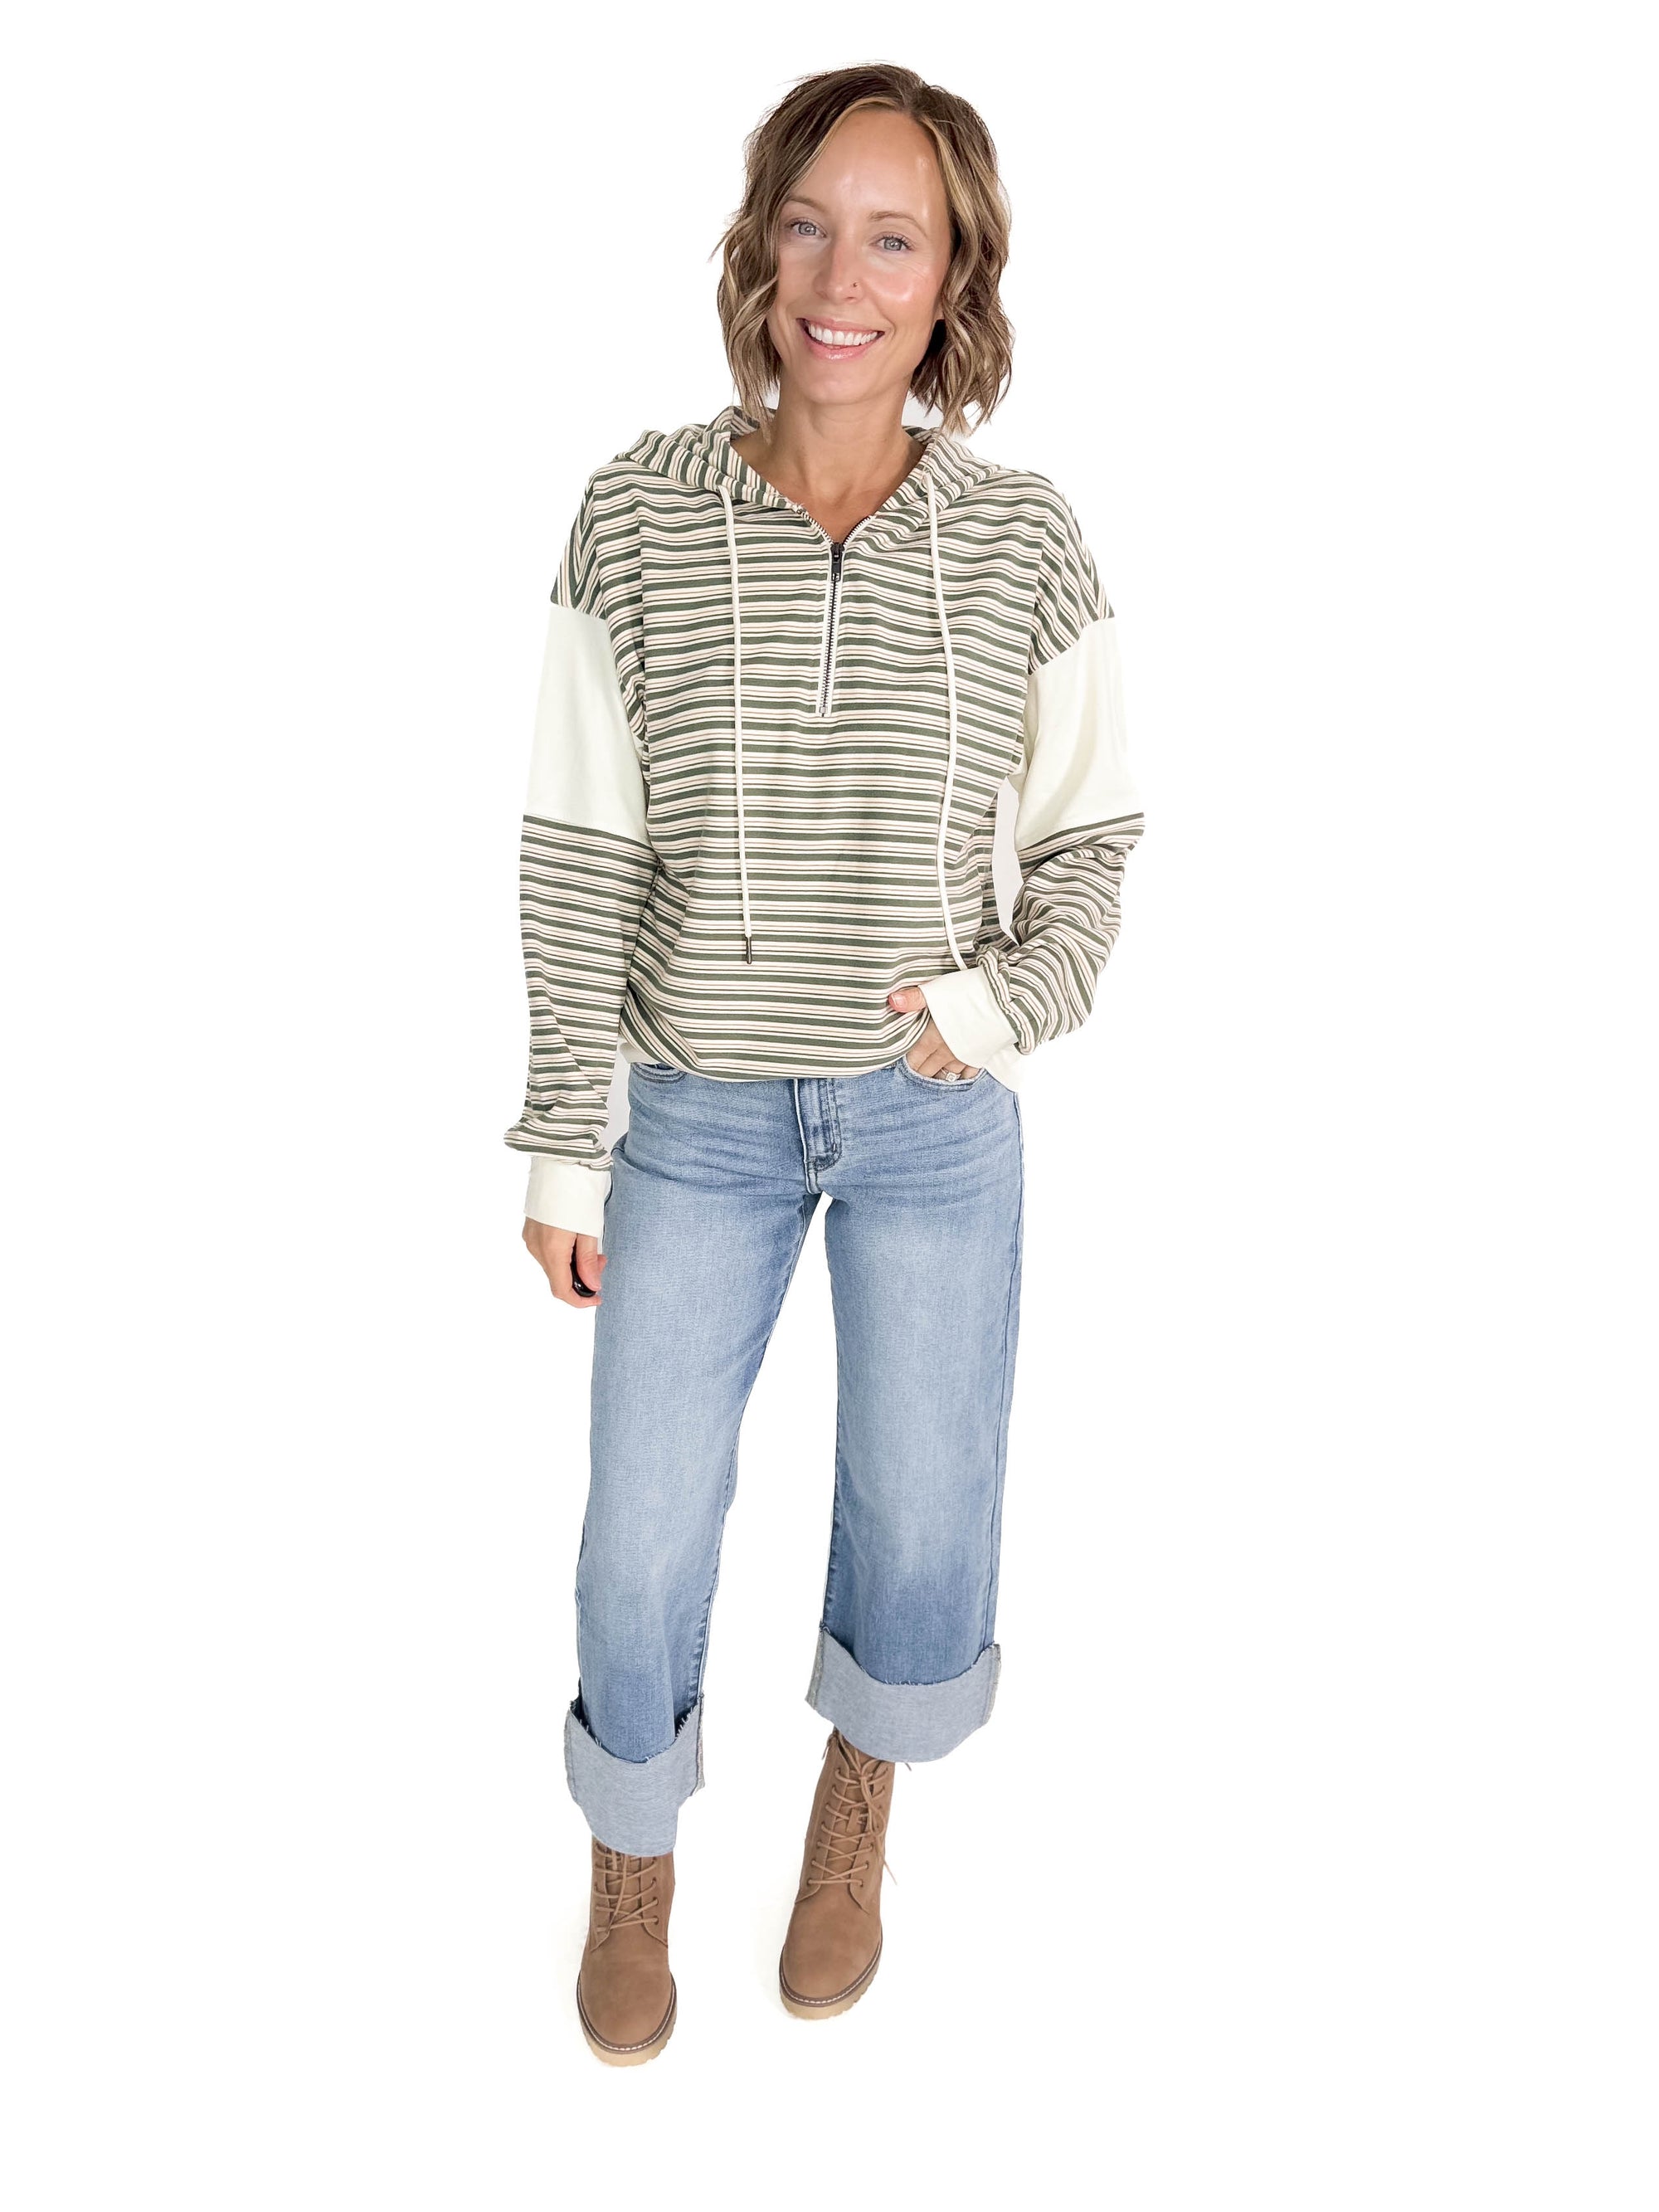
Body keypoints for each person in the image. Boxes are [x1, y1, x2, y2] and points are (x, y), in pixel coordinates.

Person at [506, 61, 1144, 2065]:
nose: (839, 277)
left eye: (892, 237)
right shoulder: (635, 512)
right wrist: (565, 1138)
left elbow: (1093, 839)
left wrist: (991, 1009)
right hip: (692, 1114)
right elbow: (578, 843)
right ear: (756, 246)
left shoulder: (1022, 537)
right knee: (639, 1532)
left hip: (929, 1125)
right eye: (807, 224)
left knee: (924, 1514)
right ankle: (631, 1856)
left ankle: (855, 1800)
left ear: (953, 277)